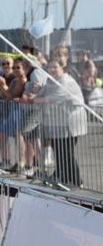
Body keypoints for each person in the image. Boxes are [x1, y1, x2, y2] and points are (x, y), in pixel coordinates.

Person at [34, 59, 87, 187]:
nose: (52, 70)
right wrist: (33, 89)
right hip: (57, 123)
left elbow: (55, 97)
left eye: (55, 67)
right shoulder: (50, 81)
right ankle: (62, 176)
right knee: (58, 151)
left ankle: (76, 181)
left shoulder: (67, 81)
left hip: (71, 123)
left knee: (66, 152)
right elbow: (41, 93)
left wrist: (34, 100)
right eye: (50, 67)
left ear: (62, 67)